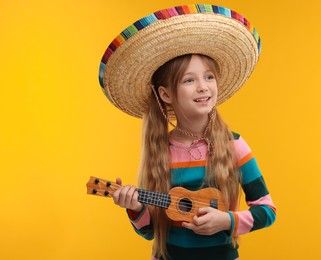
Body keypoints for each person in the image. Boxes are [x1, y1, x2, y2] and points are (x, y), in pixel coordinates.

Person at [98, 4, 276, 260]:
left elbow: (267, 210)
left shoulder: (233, 145)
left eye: (209, 77)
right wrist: (136, 207)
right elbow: (149, 231)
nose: (203, 87)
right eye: (189, 80)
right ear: (166, 94)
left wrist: (227, 221)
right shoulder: (160, 151)